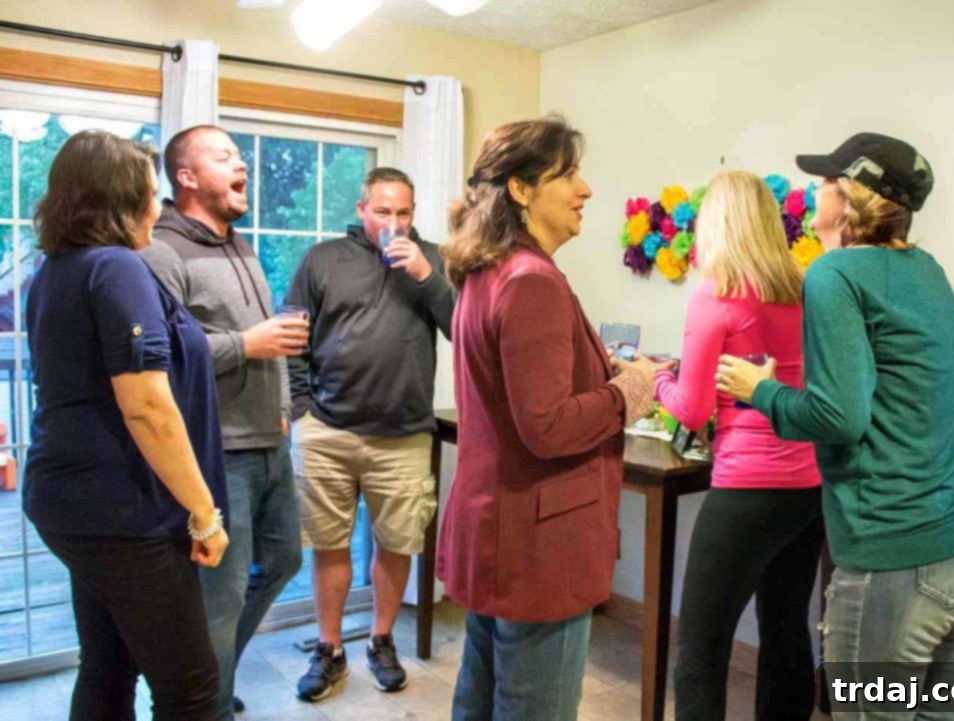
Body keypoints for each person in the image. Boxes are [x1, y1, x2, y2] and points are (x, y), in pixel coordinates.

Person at [716, 133, 954, 720]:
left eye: (825, 180)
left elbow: (838, 417)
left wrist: (759, 391)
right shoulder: (925, 269)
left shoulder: (836, 274)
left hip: (900, 566)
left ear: (848, 197)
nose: (812, 189)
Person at [437, 116, 655, 721]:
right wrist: (628, 391)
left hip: (497, 526)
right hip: (537, 544)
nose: (585, 190)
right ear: (522, 189)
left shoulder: (487, 271)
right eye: (569, 175)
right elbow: (548, 426)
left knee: (479, 700)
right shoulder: (533, 281)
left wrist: (598, 372)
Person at [24, 130, 229, 720]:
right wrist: (203, 511)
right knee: (191, 690)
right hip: (122, 512)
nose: (157, 207)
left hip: (70, 502)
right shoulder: (116, 267)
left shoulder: (56, 269)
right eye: (150, 192)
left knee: (108, 665)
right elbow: (147, 407)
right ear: (121, 199)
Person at [141, 124, 305, 720]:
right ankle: (200, 703)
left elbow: (264, 344)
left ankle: (209, 684)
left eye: (240, 156)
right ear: (186, 177)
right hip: (218, 454)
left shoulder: (239, 243)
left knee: (285, 560)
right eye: (225, 156)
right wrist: (246, 343)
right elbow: (160, 355)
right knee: (221, 596)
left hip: (272, 444)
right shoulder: (159, 250)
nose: (242, 166)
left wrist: (284, 410)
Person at [655, 171, 823, 721]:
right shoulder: (804, 288)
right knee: (785, 630)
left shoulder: (716, 295)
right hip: (808, 486)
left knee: (701, 647)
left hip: (747, 488)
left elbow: (693, 408)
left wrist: (652, 380)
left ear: (716, 226)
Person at [285, 166, 455, 701]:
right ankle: (328, 648)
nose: (394, 222)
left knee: (397, 543)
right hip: (328, 432)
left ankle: (381, 641)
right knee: (329, 545)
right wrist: (300, 408)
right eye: (383, 211)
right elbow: (293, 332)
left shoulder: (435, 259)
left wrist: (428, 274)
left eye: (404, 212)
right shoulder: (323, 258)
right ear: (362, 210)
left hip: (404, 434)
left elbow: (463, 328)